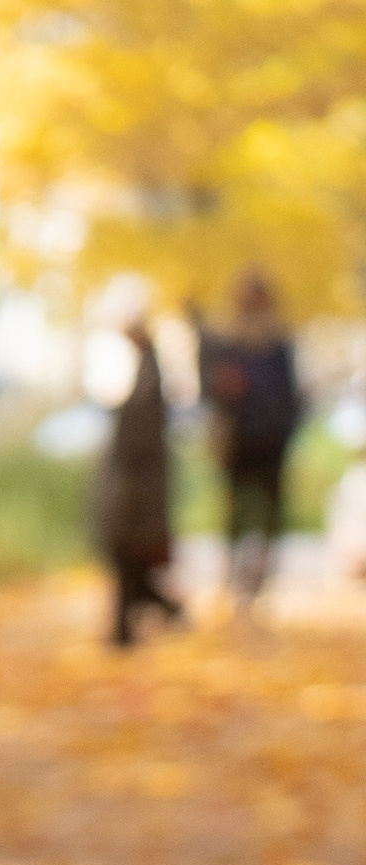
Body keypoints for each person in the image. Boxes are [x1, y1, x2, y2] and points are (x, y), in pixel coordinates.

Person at [194, 270, 304, 613]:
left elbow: (291, 394)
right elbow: (211, 389)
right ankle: (233, 576)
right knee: (235, 511)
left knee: (270, 511)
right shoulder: (227, 344)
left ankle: (262, 577)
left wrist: (285, 428)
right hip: (238, 439)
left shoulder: (279, 344)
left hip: (271, 440)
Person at [96, 311, 183, 649]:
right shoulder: (145, 374)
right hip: (134, 487)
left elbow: (136, 438)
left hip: (134, 488)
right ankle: (136, 624)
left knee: (127, 558)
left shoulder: (147, 378)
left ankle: (125, 631)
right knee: (131, 563)